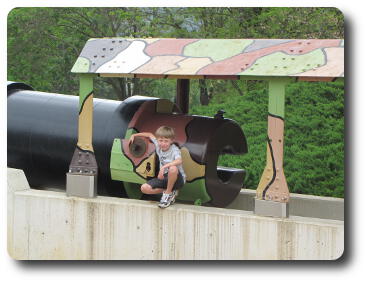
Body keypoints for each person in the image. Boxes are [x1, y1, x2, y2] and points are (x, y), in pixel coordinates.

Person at [128, 126, 186, 208]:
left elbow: (179, 160)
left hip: (177, 179)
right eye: (160, 140)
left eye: (166, 141)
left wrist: (163, 167)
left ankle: (167, 194)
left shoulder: (174, 149)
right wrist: (134, 135)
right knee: (144, 188)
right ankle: (171, 191)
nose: (163, 143)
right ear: (157, 140)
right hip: (165, 179)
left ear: (171, 141)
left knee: (173, 168)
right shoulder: (158, 145)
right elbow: (149, 134)